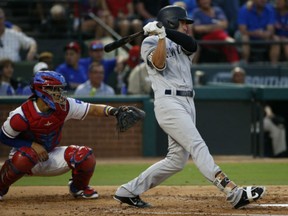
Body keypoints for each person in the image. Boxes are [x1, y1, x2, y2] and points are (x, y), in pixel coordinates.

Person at [113, 5, 265, 209]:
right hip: (168, 103)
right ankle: (232, 191)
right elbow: (159, 65)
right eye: (183, 22)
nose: (187, 26)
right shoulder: (149, 42)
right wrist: (159, 37)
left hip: (187, 101)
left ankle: (128, 191)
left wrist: (164, 32)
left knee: (176, 160)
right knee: (197, 145)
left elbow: (192, 45)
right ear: (171, 21)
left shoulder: (181, 42)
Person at [0, 70, 128, 201]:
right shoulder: (21, 115)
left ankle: (78, 188)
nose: (59, 94)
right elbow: (3, 137)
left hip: (49, 154)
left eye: (60, 89)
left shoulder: (64, 106)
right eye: (55, 89)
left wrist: (115, 111)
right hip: (24, 159)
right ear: (41, 90)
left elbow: (92, 109)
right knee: (26, 155)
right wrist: (31, 145)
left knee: (85, 155)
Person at [231, 66, 287, 157]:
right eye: (236, 75)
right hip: (238, 124)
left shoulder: (250, 89)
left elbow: (264, 104)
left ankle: (280, 155)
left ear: (244, 77)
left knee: (278, 126)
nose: (239, 77)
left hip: (255, 122)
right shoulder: (229, 90)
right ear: (232, 78)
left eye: (241, 75)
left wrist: (269, 113)